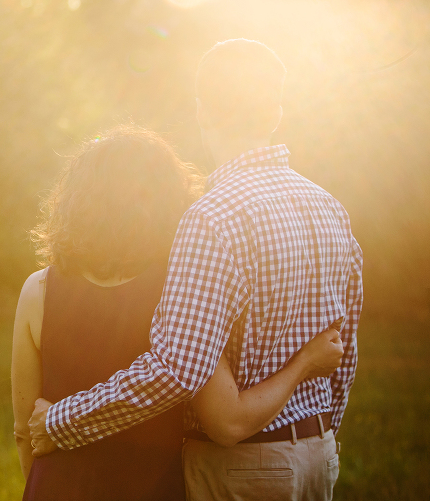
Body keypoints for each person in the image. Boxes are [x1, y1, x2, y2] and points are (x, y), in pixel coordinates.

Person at [29, 39, 363, 501]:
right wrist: (322, 437)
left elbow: (177, 369)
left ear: (203, 111)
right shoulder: (329, 209)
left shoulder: (213, 217)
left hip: (243, 468)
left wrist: (61, 421)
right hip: (318, 454)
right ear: (276, 113)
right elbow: (345, 352)